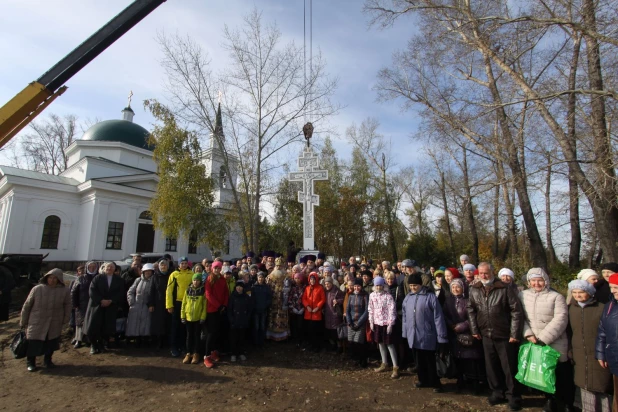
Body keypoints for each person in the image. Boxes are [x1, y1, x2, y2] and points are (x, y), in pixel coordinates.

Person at [467, 262, 522, 411]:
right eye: (482, 273)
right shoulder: (474, 289)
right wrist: (474, 329)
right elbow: (471, 309)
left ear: (492, 272)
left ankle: (513, 396)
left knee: (509, 367)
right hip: (485, 334)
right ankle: (497, 392)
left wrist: (514, 333)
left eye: (487, 273)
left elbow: (516, 311)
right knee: (491, 366)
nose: (484, 276)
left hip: (504, 334)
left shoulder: (504, 288)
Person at [519, 268, 572, 412]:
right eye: (533, 280)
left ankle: (567, 403)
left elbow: (561, 319)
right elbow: (519, 317)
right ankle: (549, 400)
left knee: (560, 373)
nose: (536, 283)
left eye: (539, 280)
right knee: (543, 374)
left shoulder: (556, 297)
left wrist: (544, 338)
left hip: (554, 341)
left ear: (545, 281)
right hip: (533, 341)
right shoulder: (522, 295)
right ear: (529, 282)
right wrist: (528, 334)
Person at [567, 279, 612, 412]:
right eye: (574, 292)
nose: (577, 295)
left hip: (599, 354)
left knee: (602, 387)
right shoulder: (571, 309)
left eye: (581, 292)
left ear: (590, 293)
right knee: (584, 387)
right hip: (579, 354)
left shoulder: (602, 308)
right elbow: (569, 332)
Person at [402, 273, 448, 392]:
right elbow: (405, 317)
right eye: (411, 285)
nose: (412, 288)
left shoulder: (430, 297)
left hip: (427, 335)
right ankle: (423, 380)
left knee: (430, 361)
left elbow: (438, 317)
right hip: (413, 335)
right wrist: (405, 332)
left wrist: (441, 336)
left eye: (415, 285)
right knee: (418, 361)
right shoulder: (408, 298)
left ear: (420, 285)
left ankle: (436, 383)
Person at [20, 268, 71, 371]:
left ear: (59, 279)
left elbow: (68, 305)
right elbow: (27, 305)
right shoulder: (37, 289)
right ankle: (31, 362)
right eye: (50, 278)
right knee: (33, 342)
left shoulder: (64, 291)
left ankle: (48, 361)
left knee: (51, 342)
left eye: (55, 278)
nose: (52, 280)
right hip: (37, 320)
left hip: (55, 320)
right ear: (46, 278)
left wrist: (66, 319)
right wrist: (23, 320)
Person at [443, 278, 485, 394]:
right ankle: (460, 382)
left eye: (457, 287)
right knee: (458, 360)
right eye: (453, 287)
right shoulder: (449, 301)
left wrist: (463, 326)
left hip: (468, 334)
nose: (455, 289)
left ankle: (474, 384)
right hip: (454, 335)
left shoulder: (469, 300)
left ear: (463, 288)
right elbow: (445, 314)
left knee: (471, 361)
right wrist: (451, 325)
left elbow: (474, 315)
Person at [85, 262, 125, 354]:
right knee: (94, 326)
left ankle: (102, 345)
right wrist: (101, 300)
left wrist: (111, 301)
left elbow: (121, 292)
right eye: (108, 267)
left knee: (106, 328)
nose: (109, 268)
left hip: (110, 307)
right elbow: (92, 290)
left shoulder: (119, 280)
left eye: (112, 267)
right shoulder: (98, 278)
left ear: (115, 269)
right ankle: (93, 346)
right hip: (96, 306)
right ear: (104, 268)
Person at [369, 276, 399, 379]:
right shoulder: (372, 296)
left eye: (380, 285)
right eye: (376, 285)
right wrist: (371, 321)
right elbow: (370, 309)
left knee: (390, 345)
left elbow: (392, 311)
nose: (378, 287)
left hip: (386, 323)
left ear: (383, 285)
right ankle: (384, 363)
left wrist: (391, 323)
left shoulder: (388, 296)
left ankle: (395, 366)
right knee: (380, 343)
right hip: (377, 322)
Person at [596, 273, 618, 412]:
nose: (612, 290)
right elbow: (602, 331)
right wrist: (601, 353)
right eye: (611, 287)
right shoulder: (610, 306)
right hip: (615, 357)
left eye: (616, 287)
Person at [166, 257, 193, 357]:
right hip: (177, 303)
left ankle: (183, 346)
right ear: (179, 264)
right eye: (182, 263)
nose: (184, 265)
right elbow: (169, 291)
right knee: (175, 326)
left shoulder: (192, 274)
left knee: (185, 326)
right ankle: (174, 347)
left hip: (188, 303)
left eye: (185, 263)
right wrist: (169, 305)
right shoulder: (174, 274)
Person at [203, 260, 229, 368]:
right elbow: (208, 294)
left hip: (221, 309)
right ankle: (206, 355)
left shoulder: (222, 279)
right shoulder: (210, 279)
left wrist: (224, 305)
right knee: (211, 333)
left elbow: (226, 293)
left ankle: (214, 351)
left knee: (217, 332)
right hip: (212, 309)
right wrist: (218, 305)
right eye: (216, 268)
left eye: (219, 268)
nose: (217, 270)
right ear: (212, 269)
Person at [125, 263, 155, 346]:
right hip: (136, 305)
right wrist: (132, 302)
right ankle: (134, 338)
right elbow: (130, 291)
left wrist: (151, 304)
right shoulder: (138, 280)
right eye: (146, 271)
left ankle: (143, 339)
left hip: (147, 306)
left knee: (145, 323)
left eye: (150, 271)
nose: (148, 273)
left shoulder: (153, 281)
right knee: (134, 323)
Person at [181, 273, 206, 365]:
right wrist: (182, 316)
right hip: (188, 317)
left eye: (198, 280)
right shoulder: (188, 290)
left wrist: (203, 317)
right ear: (192, 280)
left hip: (198, 317)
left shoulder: (202, 291)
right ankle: (188, 353)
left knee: (196, 336)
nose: (196, 282)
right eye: (194, 280)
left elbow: (204, 305)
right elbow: (184, 303)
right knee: (189, 336)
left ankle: (196, 353)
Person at [71, 261, 97, 348]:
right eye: (90, 267)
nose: (92, 268)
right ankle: (78, 340)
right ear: (87, 268)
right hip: (82, 304)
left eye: (94, 267)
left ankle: (88, 339)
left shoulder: (98, 277)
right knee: (80, 323)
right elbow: (74, 292)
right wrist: (75, 304)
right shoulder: (81, 278)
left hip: (94, 304)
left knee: (91, 322)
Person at [227, 281, 253, 362]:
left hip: (243, 320)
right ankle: (233, 354)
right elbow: (229, 309)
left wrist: (247, 318)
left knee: (242, 337)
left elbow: (249, 308)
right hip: (234, 320)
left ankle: (241, 353)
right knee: (233, 338)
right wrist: (231, 319)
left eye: (241, 286)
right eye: (238, 286)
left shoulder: (246, 297)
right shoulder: (232, 296)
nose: (239, 288)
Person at [346, 277, 369, 367]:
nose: (356, 288)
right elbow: (348, 310)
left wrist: (358, 323)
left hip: (361, 322)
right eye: (355, 286)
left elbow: (367, 310)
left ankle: (362, 360)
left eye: (358, 286)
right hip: (351, 322)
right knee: (352, 342)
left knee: (359, 342)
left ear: (361, 286)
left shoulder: (365, 295)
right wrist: (349, 322)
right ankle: (355, 360)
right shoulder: (351, 295)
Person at [302, 272, 326, 352]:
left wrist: (317, 307)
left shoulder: (320, 288)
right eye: (311, 279)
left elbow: (323, 299)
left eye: (313, 279)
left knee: (316, 331)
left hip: (316, 313)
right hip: (308, 312)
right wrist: (307, 306)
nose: (312, 281)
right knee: (309, 330)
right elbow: (304, 299)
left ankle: (317, 346)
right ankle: (310, 345)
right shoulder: (307, 288)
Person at [151, 259, 172, 348]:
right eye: (162, 265)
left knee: (168, 322)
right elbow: (152, 291)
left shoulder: (171, 276)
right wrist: (151, 304)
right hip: (158, 302)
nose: (163, 267)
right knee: (158, 323)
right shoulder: (155, 276)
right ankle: (158, 342)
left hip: (168, 302)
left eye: (165, 265)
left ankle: (166, 341)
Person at [265, 268, 290, 342]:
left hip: (282, 299)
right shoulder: (271, 276)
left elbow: (288, 286)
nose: (279, 267)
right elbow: (268, 286)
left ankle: (283, 335)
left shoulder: (285, 275)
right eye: (277, 265)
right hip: (273, 299)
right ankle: (272, 334)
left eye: (280, 265)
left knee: (281, 316)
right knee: (273, 316)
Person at [323, 276, 345, 353]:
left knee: (336, 332)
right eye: (325, 284)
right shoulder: (325, 291)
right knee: (329, 331)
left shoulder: (337, 291)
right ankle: (333, 345)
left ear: (331, 283)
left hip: (335, 314)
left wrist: (338, 301)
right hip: (327, 314)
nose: (327, 285)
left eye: (328, 283)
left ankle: (339, 347)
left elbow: (343, 299)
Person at [251, 271, 272, 347]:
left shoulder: (266, 288)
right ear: (257, 278)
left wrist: (265, 305)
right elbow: (252, 299)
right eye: (259, 277)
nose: (261, 278)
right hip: (256, 310)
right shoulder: (253, 287)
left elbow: (269, 298)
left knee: (262, 325)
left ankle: (262, 341)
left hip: (263, 309)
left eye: (262, 277)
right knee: (256, 326)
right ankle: (255, 342)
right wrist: (254, 307)